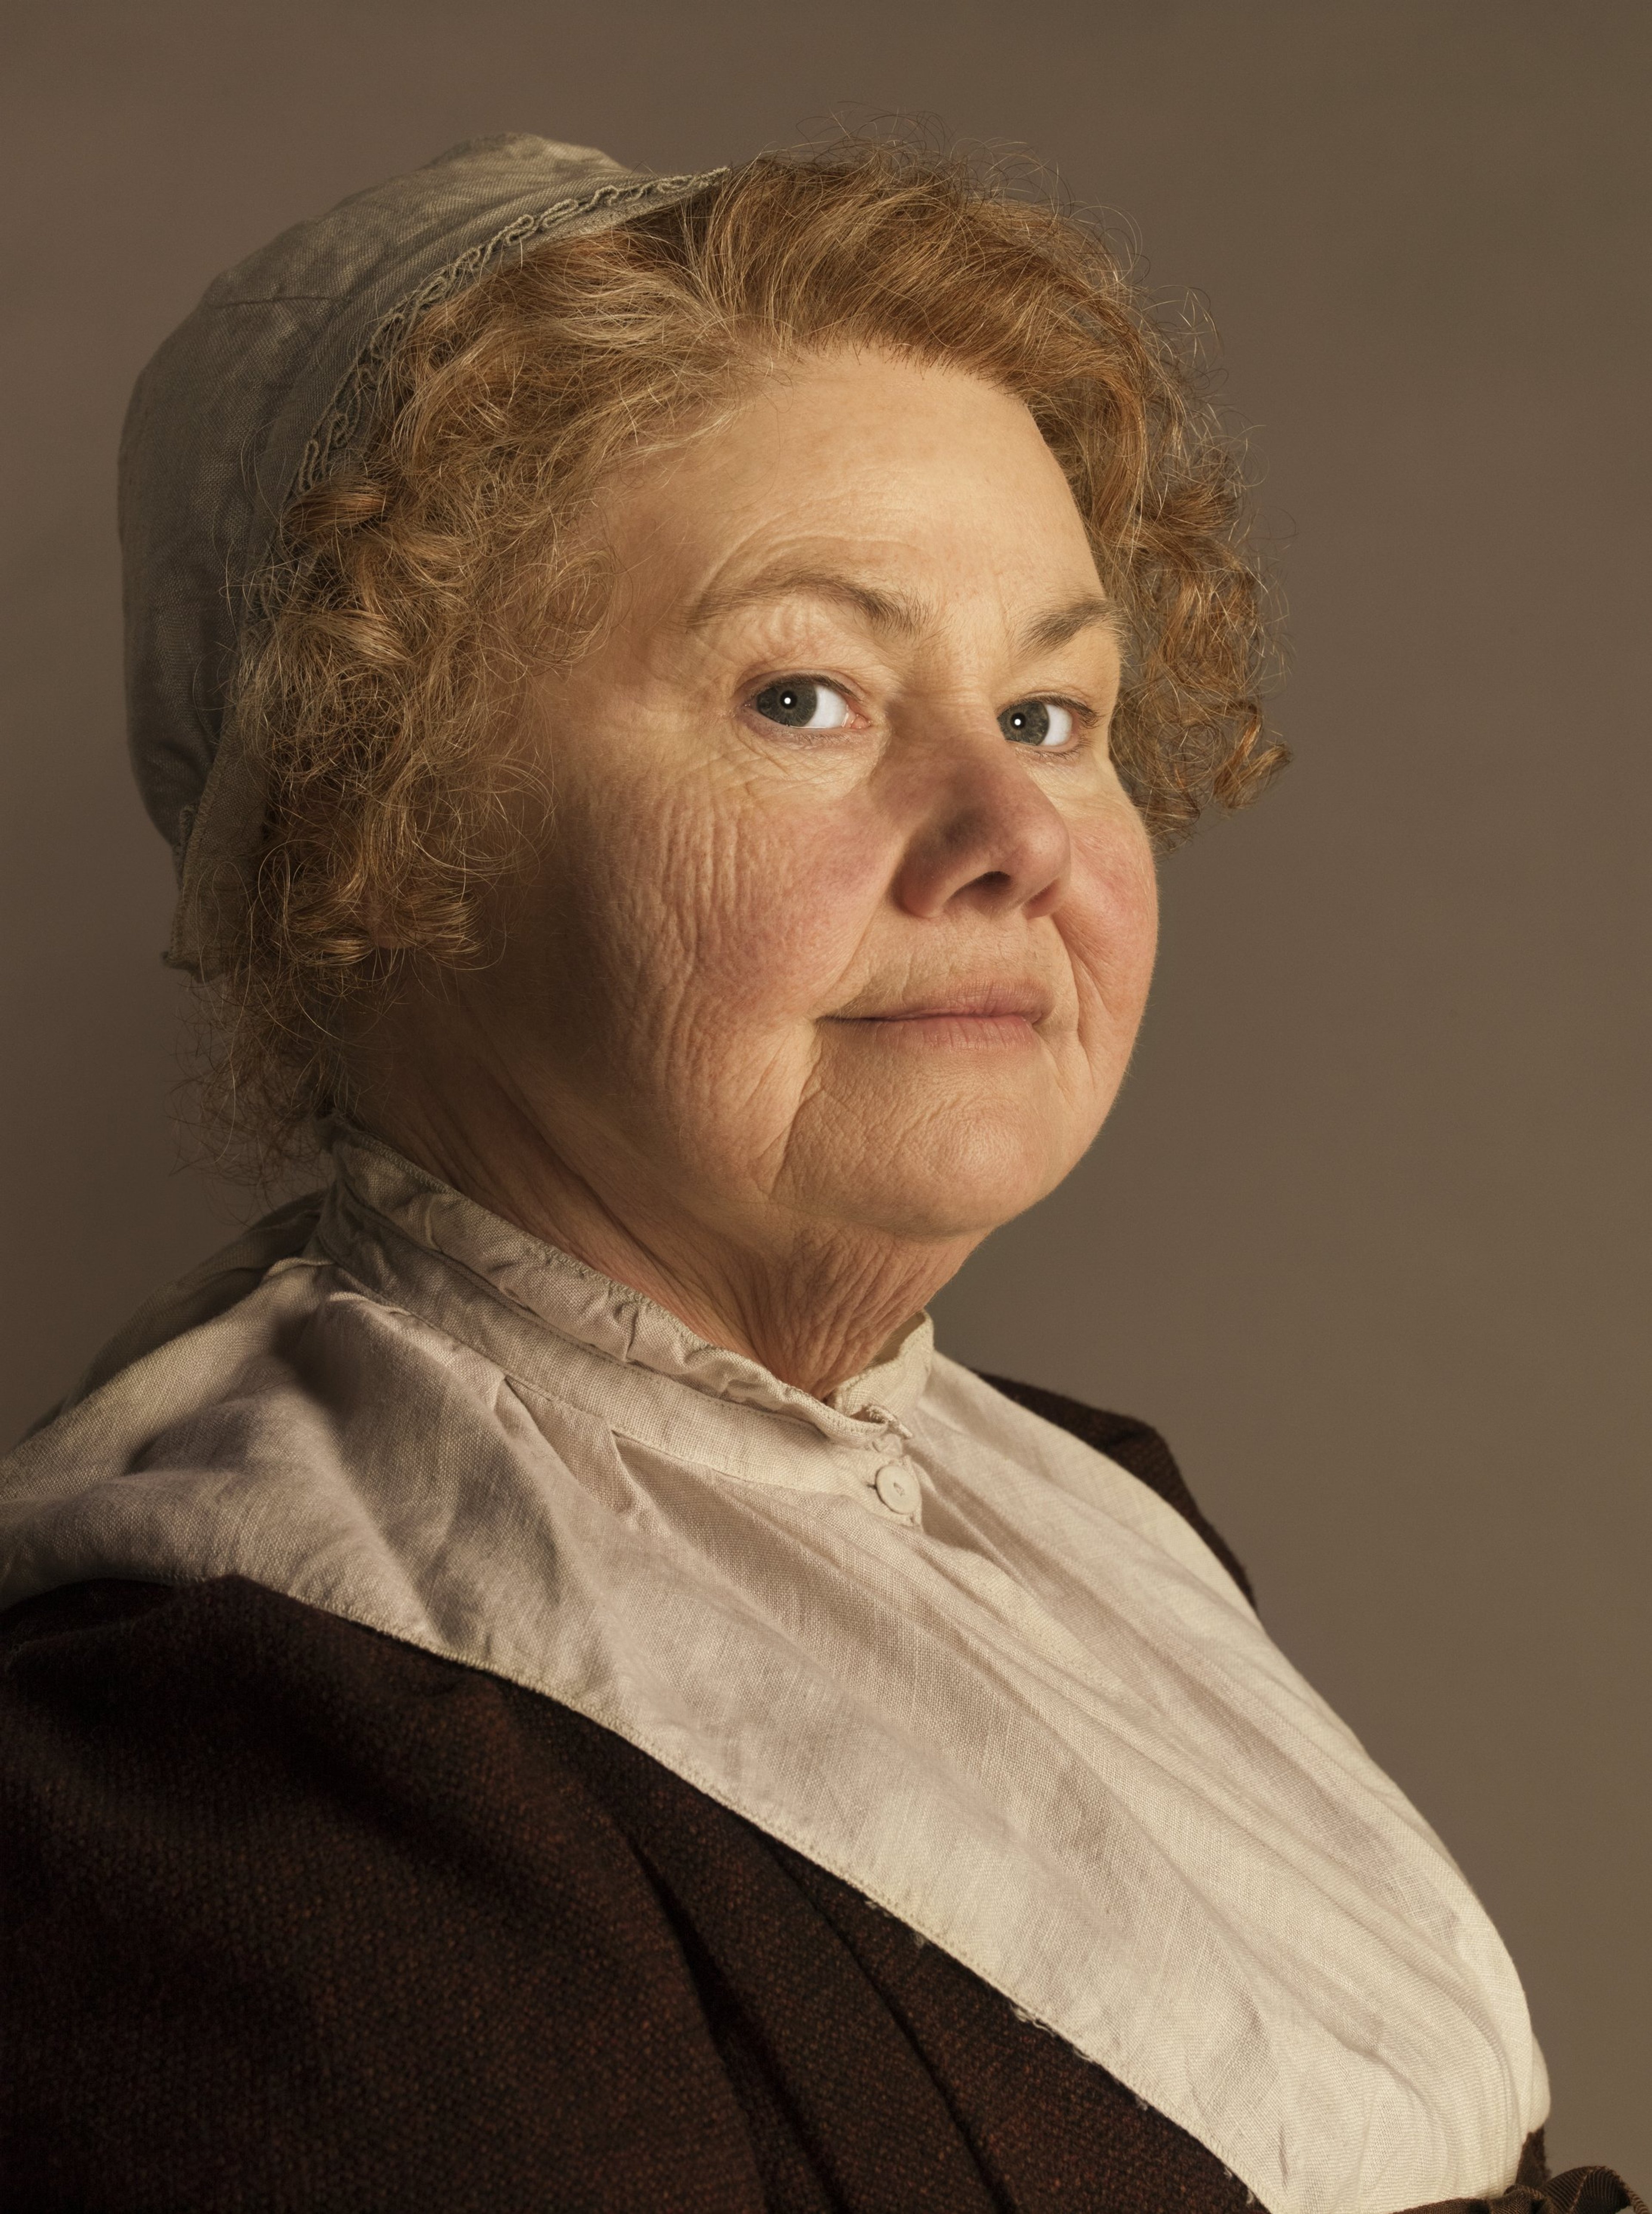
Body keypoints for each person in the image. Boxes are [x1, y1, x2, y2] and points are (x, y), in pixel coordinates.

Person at [0, 133, 1638, 2214]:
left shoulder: (1087, 1497)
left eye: (1054, 711)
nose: (1015, 831)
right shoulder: (227, 1761)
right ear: (380, 831)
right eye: (806, 696)